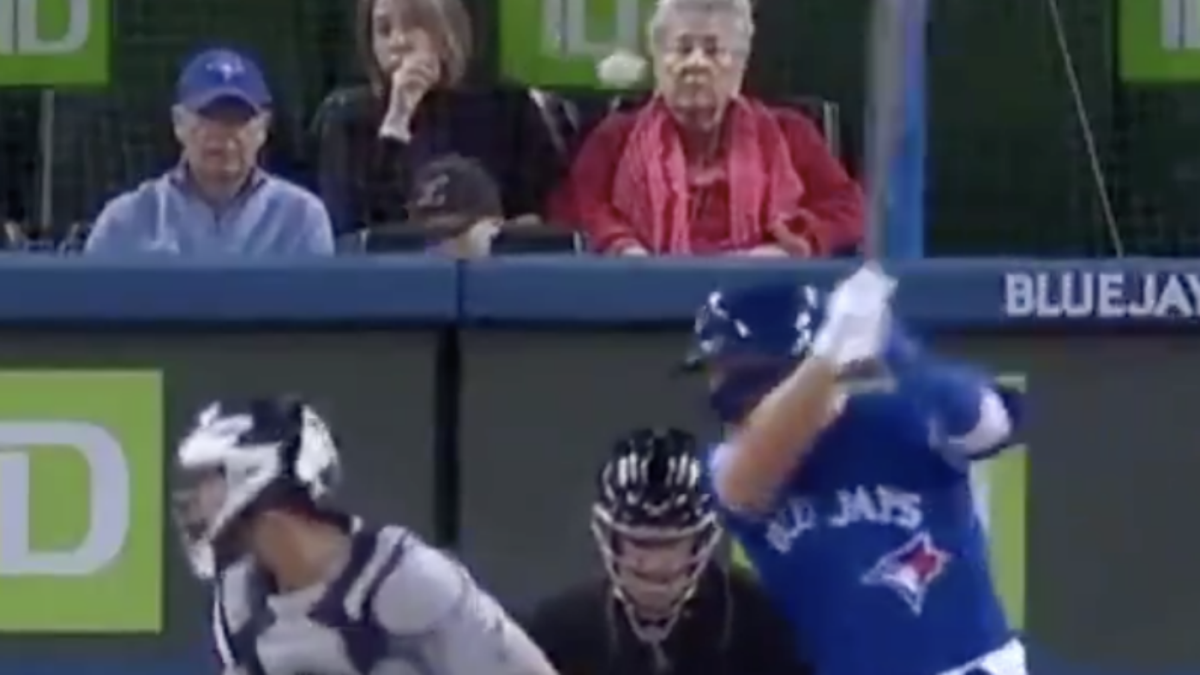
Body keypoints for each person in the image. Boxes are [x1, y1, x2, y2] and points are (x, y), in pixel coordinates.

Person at [684, 266, 1028, 675]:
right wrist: (827, 358)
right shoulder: (731, 462)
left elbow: (988, 424)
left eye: (731, 372)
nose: (720, 394)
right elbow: (741, 486)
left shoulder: (899, 420)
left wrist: (896, 350)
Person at [172, 395, 558, 675]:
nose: (194, 500)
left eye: (209, 478)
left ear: (254, 475)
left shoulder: (410, 581)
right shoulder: (236, 603)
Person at [555, 0, 863, 257]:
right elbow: (574, 208)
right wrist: (623, 247)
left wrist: (788, 246)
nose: (696, 63)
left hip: (762, 300)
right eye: (683, 48)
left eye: (714, 50)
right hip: (644, 301)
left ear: (741, 64)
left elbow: (849, 210)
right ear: (659, 61)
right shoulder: (614, 137)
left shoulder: (792, 133)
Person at [523, 427, 811, 675]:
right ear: (611, 538)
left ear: (700, 539)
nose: (655, 564)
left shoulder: (753, 623)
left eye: (670, 542)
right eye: (641, 542)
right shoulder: (562, 630)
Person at [311, 0, 563, 235]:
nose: (398, 42)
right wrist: (397, 120)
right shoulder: (346, 118)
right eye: (383, 29)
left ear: (447, 30)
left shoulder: (508, 107)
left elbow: (538, 214)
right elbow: (357, 229)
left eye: (414, 24)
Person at [85, 48, 333, 256]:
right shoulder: (125, 221)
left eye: (237, 119)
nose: (222, 134)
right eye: (207, 117)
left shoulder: (301, 218)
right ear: (178, 123)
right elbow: (91, 308)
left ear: (263, 128)